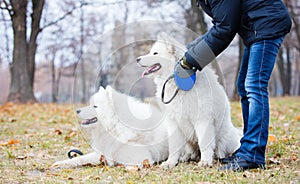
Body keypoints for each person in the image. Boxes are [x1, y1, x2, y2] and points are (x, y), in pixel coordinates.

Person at [174, 0, 292, 171]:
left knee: (254, 86)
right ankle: (247, 148)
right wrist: (189, 51)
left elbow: (225, 29)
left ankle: (253, 153)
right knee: (244, 86)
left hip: (267, 23)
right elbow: (220, 24)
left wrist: (190, 60)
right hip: (256, 27)